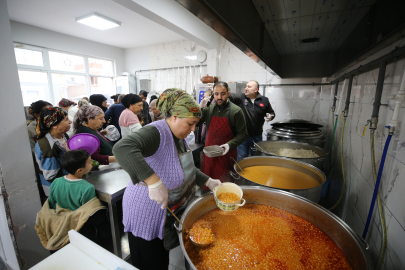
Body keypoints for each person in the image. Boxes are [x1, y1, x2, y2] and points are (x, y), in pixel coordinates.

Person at [113, 88, 222, 270]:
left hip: (165, 214)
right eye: (190, 123)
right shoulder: (156, 132)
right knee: (150, 264)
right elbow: (122, 149)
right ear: (174, 117)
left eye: (196, 124)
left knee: (161, 262)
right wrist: (154, 182)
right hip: (146, 215)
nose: (193, 129)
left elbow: (184, 166)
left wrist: (208, 181)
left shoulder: (178, 136)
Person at [36, 149, 111, 251]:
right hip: (81, 226)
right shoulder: (87, 188)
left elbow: (52, 203)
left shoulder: (56, 182)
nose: (92, 163)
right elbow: (89, 212)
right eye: (89, 162)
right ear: (79, 170)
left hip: (65, 224)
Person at [200, 81, 248, 189]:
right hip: (209, 156)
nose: (219, 97)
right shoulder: (210, 109)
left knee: (224, 187)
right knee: (208, 185)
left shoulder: (236, 111)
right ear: (213, 94)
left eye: (223, 94)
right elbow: (196, 122)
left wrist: (229, 145)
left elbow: (243, 134)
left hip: (226, 155)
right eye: (216, 94)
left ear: (228, 94)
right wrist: (201, 109)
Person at [229, 80, 275, 160]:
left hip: (257, 136)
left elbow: (271, 112)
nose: (246, 88)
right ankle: (240, 172)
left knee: (256, 158)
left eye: (249, 87)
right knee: (241, 158)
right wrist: (219, 89)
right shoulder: (240, 97)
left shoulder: (264, 100)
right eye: (246, 86)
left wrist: (270, 116)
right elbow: (229, 96)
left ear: (256, 90)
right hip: (242, 136)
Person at [34, 107, 72, 196]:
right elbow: (51, 176)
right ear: (54, 125)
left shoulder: (63, 135)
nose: (70, 122)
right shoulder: (47, 146)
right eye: (66, 120)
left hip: (68, 182)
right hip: (59, 190)